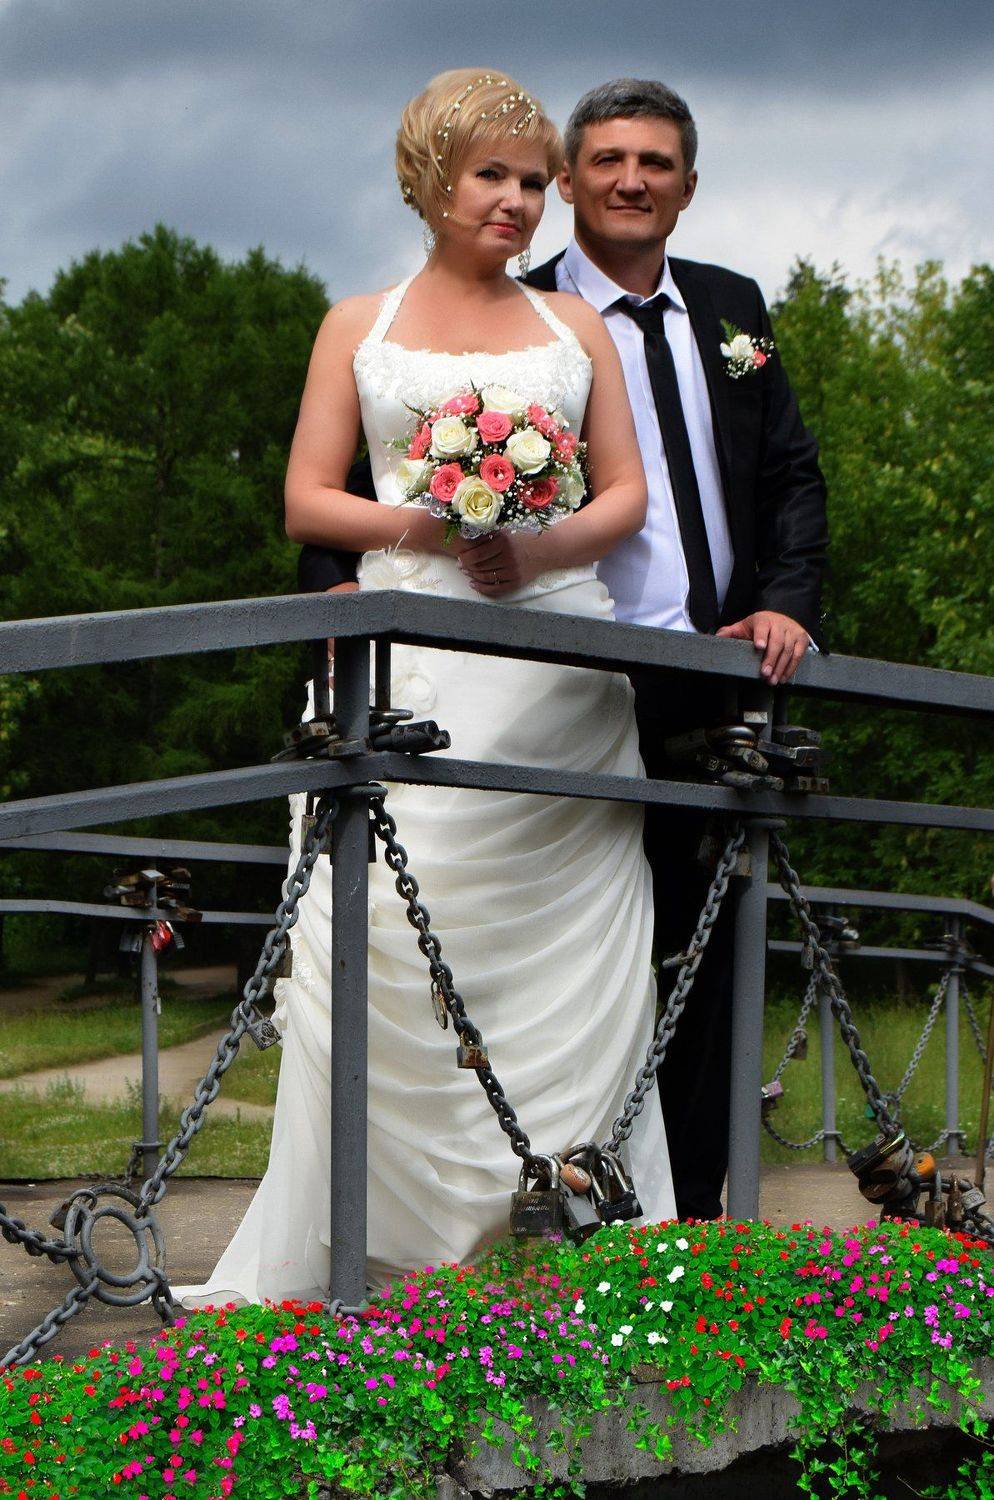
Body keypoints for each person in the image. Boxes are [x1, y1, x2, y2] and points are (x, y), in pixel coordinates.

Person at [174, 68, 676, 1309]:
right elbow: (307, 500)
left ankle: (573, 1242)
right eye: (491, 176)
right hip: (412, 661)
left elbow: (623, 495)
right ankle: (385, 1249)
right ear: (430, 180)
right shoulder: (356, 323)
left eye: (531, 181)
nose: (517, 201)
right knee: (395, 934)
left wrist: (534, 550)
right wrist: (436, 528)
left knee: (565, 970)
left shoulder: (576, 330)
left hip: (562, 681)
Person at [298, 79, 829, 1223]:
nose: (630, 181)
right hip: (536, 659)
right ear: (575, 184)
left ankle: (684, 1217)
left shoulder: (730, 309)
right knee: (457, 934)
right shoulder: (505, 302)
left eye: (656, 163)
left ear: (688, 184)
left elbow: (788, 476)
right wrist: (354, 582)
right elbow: (334, 486)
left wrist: (784, 605)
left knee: (695, 956)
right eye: (602, 163)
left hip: (702, 673)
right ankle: (457, 1207)